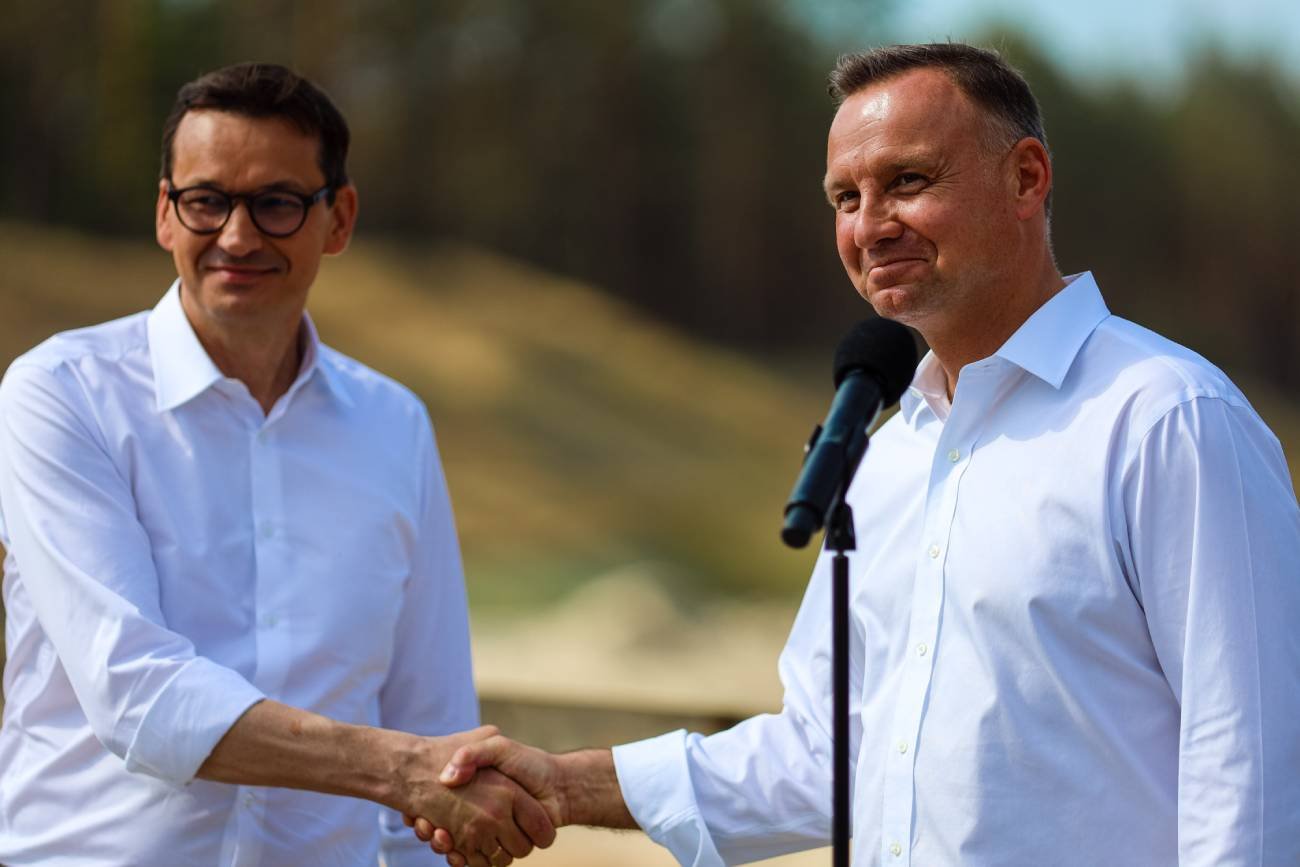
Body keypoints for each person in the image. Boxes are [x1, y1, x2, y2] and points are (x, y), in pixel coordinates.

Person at [417, 43, 1300, 865]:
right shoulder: (886, 456)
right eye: (846, 197)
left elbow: (1252, 769)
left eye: (908, 181)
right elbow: (824, 751)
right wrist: (565, 783)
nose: (871, 225)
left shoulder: (1168, 418)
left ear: (1026, 178)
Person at [0, 63, 554, 867]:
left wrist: (429, 785)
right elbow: (135, 694)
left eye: (277, 202)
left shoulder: (394, 424)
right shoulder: (58, 395)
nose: (237, 234)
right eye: (206, 199)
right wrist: (399, 770)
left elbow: (431, 713)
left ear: (340, 218)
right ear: (165, 212)